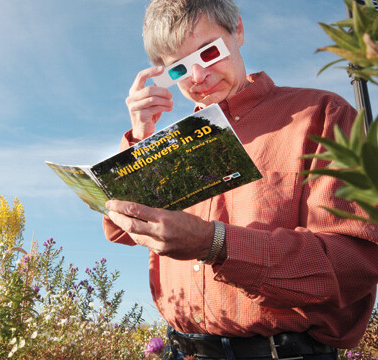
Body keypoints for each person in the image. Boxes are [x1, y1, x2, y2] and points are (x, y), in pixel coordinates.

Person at [102, 0, 378, 359]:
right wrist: (141, 143)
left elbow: (354, 264)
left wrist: (215, 243)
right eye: (179, 69)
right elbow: (120, 229)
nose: (198, 76)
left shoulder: (323, 115)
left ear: (239, 31)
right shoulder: (173, 143)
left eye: (209, 51)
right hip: (180, 350)